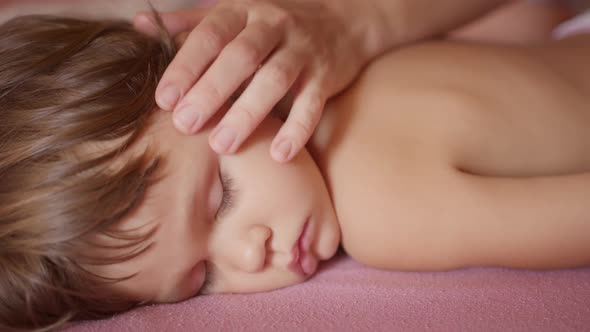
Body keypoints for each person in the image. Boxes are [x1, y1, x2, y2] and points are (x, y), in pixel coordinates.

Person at [1, 5, 590, 332]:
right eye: (201, 279)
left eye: (221, 198)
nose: (248, 255)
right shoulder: (343, 62)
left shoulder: (383, 211)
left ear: (206, 70)